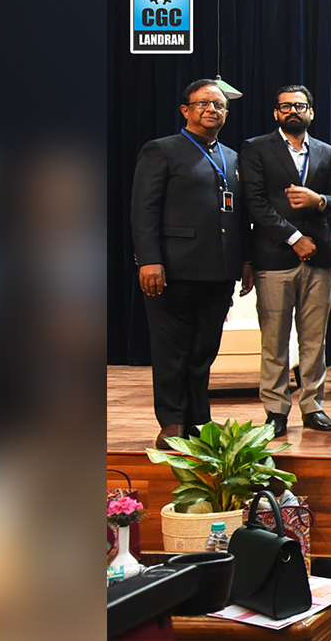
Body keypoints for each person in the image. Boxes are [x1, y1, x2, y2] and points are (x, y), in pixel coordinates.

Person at [132, 79, 254, 448]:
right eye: (203, 103)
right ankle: (171, 421)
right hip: (172, 269)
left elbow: (241, 214)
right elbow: (143, 210)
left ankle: (199, 420)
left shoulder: (233, 158)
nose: (211, 110)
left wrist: (245, 260)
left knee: (203, 350)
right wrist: (150, 259)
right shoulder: (162, 150)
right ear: (185, 110)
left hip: (218, 272)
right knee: (172, 349)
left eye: (218, 105)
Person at [240, 85, 331, 439]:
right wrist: (294, 238)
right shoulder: (256, 148)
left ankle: (313, 406)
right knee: (275, 339)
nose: (293, 111)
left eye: (300, 106)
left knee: (315, 340)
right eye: (285, 107)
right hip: (274, 257)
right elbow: (254, 202)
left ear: (311, 112)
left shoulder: (326, 152)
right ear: (276, 114)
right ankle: (275, 410)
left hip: (321, 258)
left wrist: (319, 201)